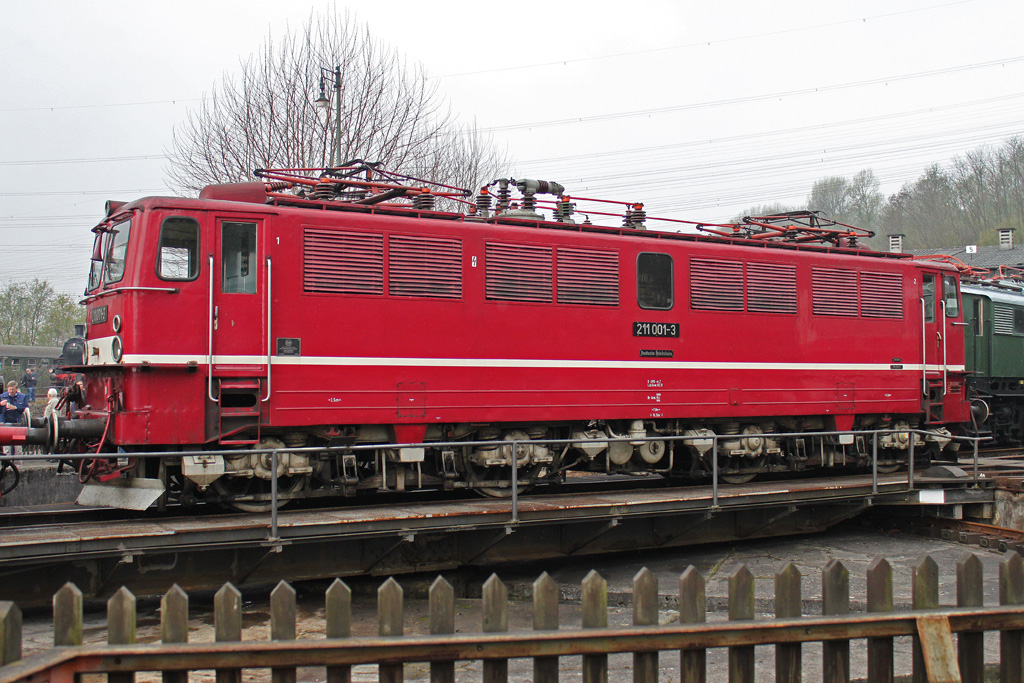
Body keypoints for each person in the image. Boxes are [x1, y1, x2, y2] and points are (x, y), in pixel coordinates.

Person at [1, 380, 29, 455]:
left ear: (16, 389)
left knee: (18, 447)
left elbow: (25, 408)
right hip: (5, 423)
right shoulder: (2, 396)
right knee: (6, 447)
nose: (11, 391)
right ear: (7, 389)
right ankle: (7, 463)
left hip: (18, 423)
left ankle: (18, 464)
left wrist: (16, 408)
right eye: (9, 389)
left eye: (13, 389)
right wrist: (0, 404)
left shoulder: (22, 397)